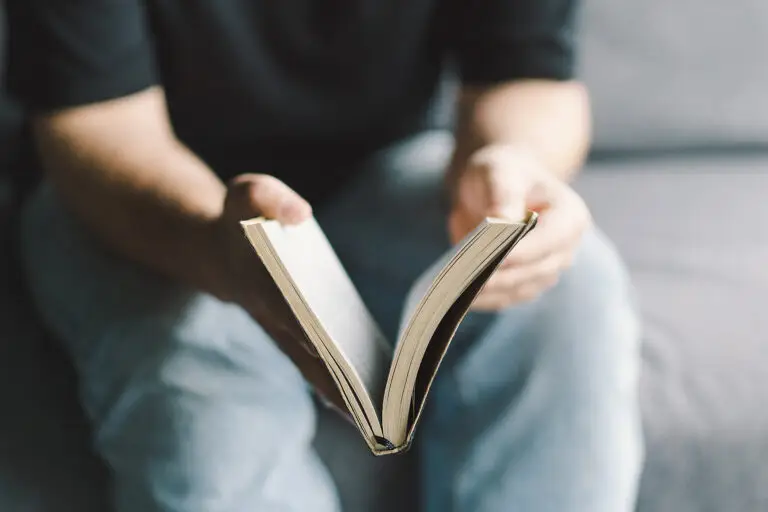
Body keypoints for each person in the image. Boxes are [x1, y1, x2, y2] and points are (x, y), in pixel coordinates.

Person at [5, 0, 643, 511]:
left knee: (572, 287)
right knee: (199, 363)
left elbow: (529, 75)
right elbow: (96, 125)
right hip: (133, 193)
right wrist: (215, 249)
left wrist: (513, 164)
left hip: (376, 169)